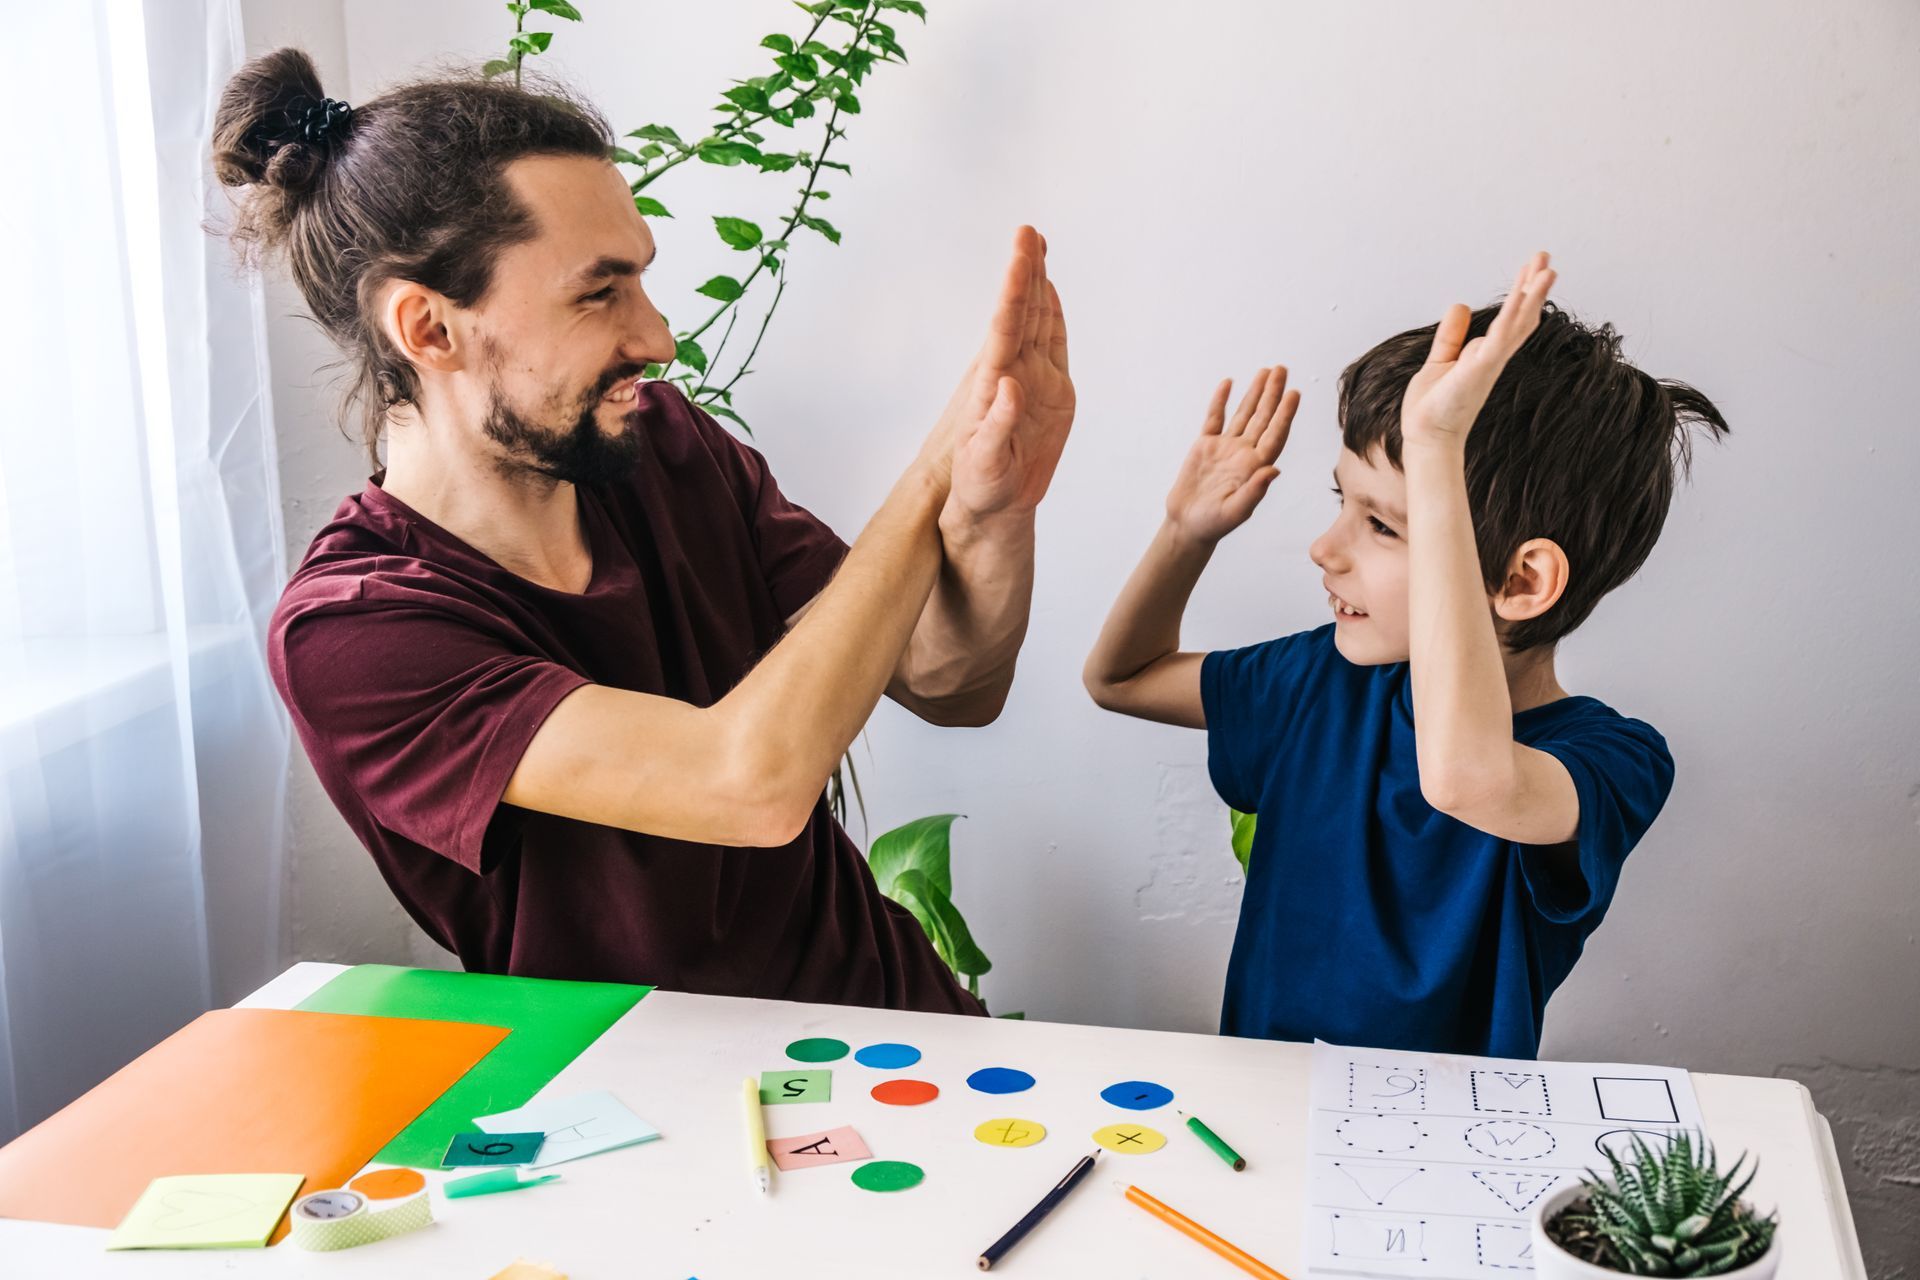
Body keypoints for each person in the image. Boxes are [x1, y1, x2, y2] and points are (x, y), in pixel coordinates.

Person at [214, 50, 1073, 1013]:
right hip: (648, 1107)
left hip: (903, 1029)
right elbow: (748, 786)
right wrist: (929, 476)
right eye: (600, 291)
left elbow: (950, 680)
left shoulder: (665, 448)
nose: (658, 336)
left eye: (642, 282)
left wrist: (991, 511)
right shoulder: (356, 631)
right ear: (429, 330)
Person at [1084, 255, 1729, 1056]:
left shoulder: (1610, 762)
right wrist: (1187, 534)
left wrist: (1437, 451)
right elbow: (1119, 679)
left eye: (1383, 525)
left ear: (1523, 582)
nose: (1324, 549)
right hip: (1260, 1130)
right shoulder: (1318, 682)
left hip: (1442, 1165)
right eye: (1339, 503)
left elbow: (1465, 777)